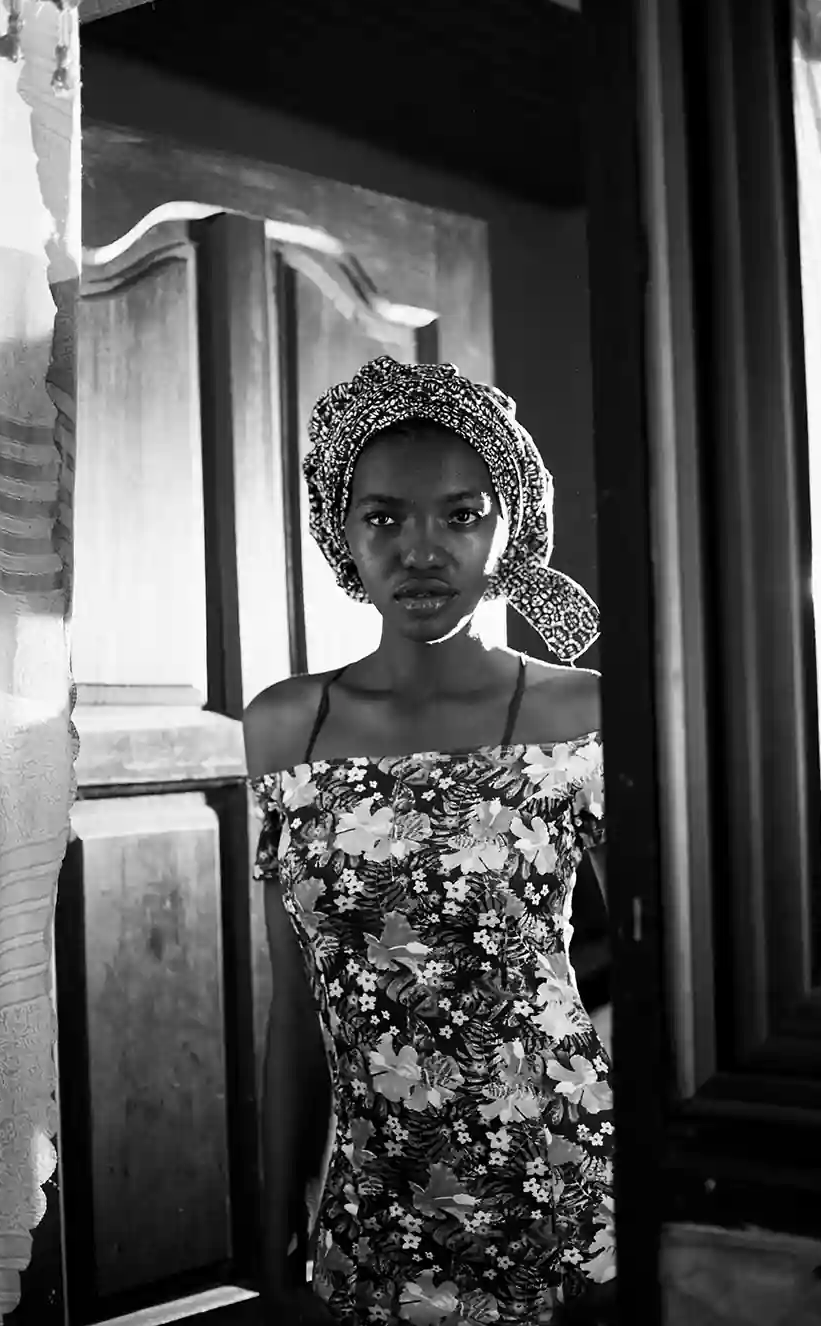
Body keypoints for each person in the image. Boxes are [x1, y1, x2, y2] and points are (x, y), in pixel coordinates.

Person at [244, 357, 613, 1326]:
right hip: (375, 1216)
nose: (420, 551)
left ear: (511, 525)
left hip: (563, 1199)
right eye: (384, 518)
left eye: (460, 515)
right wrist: (277, 1201)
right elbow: (295, 1003)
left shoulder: (578, 712)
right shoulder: (286, 728)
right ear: (340, 532)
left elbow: (680, 979)